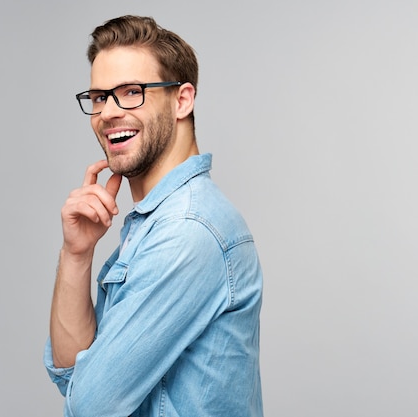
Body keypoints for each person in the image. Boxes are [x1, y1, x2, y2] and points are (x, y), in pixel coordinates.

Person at [44, 15, 263, 417]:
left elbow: (89, 406)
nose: (108, 112)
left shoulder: (187, 230)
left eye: (131, 92)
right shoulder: (155, 224)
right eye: (99, 97)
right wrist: (76, 255)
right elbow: (69, 371)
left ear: (182, 100)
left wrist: (82, 388)